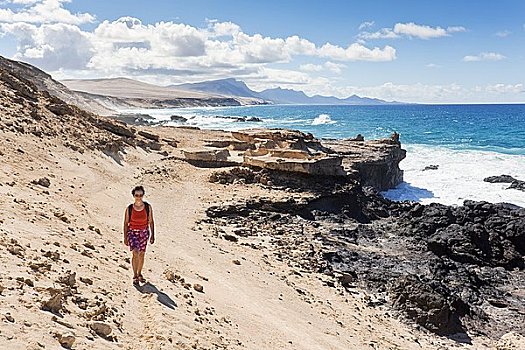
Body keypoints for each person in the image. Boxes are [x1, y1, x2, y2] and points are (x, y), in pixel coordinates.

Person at [123, 185, 155, 285]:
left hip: (144, 232)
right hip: (132, 232)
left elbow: (151, 221)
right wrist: (125, 237)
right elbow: (125, 223)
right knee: (135, 253)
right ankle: (135, 275)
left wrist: (153, 235)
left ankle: (140, 273)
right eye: (137, 195)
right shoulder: (129, 208)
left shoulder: (147, 207)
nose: (139, 197)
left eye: (140, 195)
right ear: (133, 195)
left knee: (141, 254)